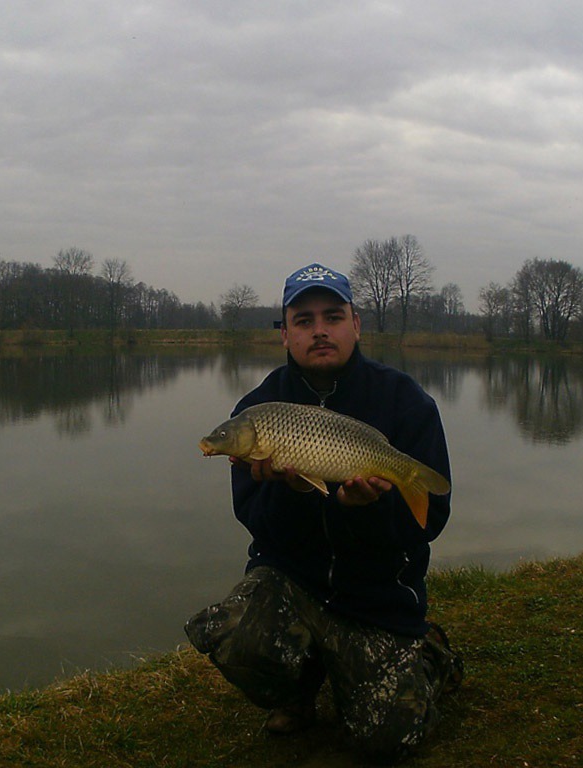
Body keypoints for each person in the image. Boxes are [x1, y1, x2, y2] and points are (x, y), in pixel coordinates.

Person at [185, 262, 461, 764]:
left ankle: (429, 656)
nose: (319, 331)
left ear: (355, 324)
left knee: (387, 740)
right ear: (285, 334)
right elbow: (255, 522)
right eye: (304, 320)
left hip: (376, 597)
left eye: (332, 317)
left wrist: (364, 510)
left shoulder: (406, 404)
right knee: (234, 635)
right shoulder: (259, 409)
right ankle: (299, 688)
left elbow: (430, 521)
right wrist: (291, 493)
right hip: (295, 584)